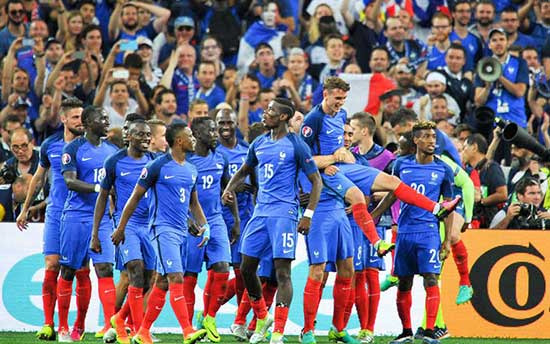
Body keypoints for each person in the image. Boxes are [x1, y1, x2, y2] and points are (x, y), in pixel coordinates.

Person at [301, 77, 459, 258]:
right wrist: (330, 160)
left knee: (393, 181)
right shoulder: (313, 119)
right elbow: (304, 161)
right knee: (357, 196)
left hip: (341, 166)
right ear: (325, 94)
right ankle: (377, 243)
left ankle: (437, 208)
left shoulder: (342, 114)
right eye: (337, 99)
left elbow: (337, 145)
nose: (341, 103)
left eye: (344, 98)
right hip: (326, 172)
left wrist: (343, 152)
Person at [222, 98, 322, 344]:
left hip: (284, 214)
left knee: (282, 273)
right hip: (260, 213)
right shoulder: (259, 143)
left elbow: (316, 181)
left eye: (270, 111)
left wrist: (307, 214)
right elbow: (245, 169)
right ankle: (262, 316)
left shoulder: (296, 145)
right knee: (246, 267)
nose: (264, 114)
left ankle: (278, 331)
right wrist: (229, 187)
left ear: (283, 117)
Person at [114, 123, 208, 344]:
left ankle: (141, 330)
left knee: (163, 282)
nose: (194, 139)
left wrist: (205, 225)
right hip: (161, 229)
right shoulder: (158, 166)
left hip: (181, 232)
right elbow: (135, 197)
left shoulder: (191, 169)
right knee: (176, 278)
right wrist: (120, 228)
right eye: (190, 136)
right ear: (179, 141)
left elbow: (193, 203)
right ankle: (187, 331)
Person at [15, 99, 84, 341]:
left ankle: (78, 325)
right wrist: (25, 209)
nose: (80, 121)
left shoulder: (90, 146)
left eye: (82, 116)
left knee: (79, 270)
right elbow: (38, 177)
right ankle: (48, 323)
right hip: (56, 213)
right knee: (52, 265)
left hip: (81, 215)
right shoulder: (50, 145)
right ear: (63, 119)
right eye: (75, 117)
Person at [388, 121, 456, 344]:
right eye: (426, 136)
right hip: (405, 232)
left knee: (431, 278)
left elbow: (447, 206)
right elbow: (392, 194)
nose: (431, 141)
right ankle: (406, 332)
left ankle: (429, 331)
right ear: (415, 140)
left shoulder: (444, 169)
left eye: (433, 137)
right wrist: (376, 215)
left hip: (428, 231)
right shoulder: (400, 165)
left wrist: (446, 240)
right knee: (404, 282)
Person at [57, 106, 118, 341]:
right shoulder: (73, 149)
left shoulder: (112, 151)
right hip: (76, 216)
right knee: (70, 270)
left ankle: (108, 325)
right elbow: (70, 182)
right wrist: (99, 189)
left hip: (102, 219)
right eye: (102, 118)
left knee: (105, 269)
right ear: (88, 123)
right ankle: (65, 326)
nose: (106, 121)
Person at [93, 119, 156, 343]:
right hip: (125, 225)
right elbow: (102, 196)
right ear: (128, 136)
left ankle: (119, 319)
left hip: (148, 227)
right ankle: (139, 331)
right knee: (135, 271)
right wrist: (95, 234)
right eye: (140, 135)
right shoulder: (114, 162)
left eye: (148, 135)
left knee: (149, 279)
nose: (146, 138)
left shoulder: (154, 161)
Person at [185, 117, 238, 342]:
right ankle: (188, 327)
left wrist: (235, 220)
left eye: (216, 130)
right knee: (189, 275)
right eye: (211, 131)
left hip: (216, 220)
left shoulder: (220, 158)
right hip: (191, 222)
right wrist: (187, 219)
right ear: (197, 134)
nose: (216, 134)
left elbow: (228, 189)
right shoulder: (185, 161)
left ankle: (210, 317)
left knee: (223, 268)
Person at [215, 109, 254, 311]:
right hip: (221, 216)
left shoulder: (247, 150)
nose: (225, 127)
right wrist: (230, 188)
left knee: (244, 270)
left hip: (246, 215)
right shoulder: (213, 153)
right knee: (222, 270)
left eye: (229, 122)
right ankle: (209, 312)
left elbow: (256, 183)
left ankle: (239, 318)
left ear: (236, 124)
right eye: (221, 123)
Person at [474, 28, 529, 164]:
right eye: (494, 40)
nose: (498, 43)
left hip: (516, 123)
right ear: (489, 44)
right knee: (494, 164)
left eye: (501, 39)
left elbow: (520, 91)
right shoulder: (483, 65)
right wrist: (487, 87)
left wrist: (499, 76)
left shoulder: (519, 63)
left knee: (516, 163)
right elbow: (478, 101)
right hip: (493, 125)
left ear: (507, 42)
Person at [461, 134, 508, 228]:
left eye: (464, 148)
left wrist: (481, 201)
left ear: (474, 147)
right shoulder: (470, 170)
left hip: (488, 222)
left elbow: (503, 194)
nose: (462, 152)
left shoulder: (491, 168)